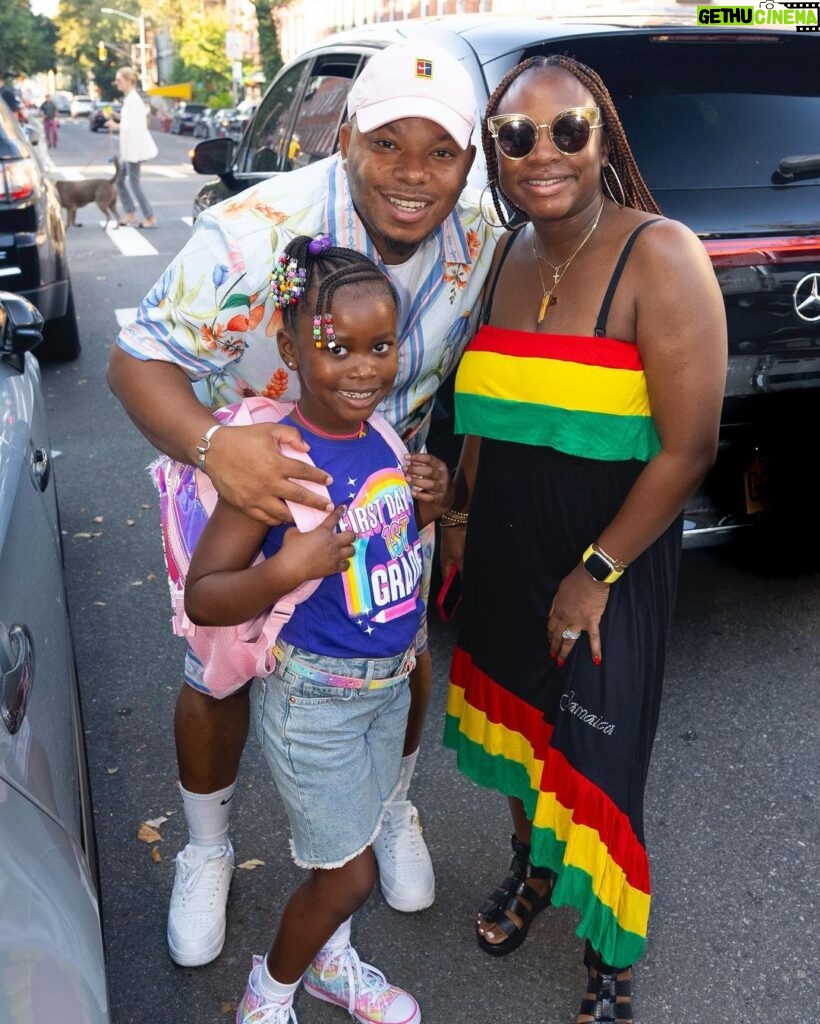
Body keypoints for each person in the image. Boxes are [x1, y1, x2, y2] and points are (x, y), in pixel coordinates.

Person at [106, 40, 499, 968]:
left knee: (399, 657)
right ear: (349, 133)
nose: (413, 174)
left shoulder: (481, 233)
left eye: (440, 151)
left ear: (470, 160)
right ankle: (207, 850)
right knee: (224, 668)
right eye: (388, 143)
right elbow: (137, 361)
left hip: (382, 478)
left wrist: (441, 484)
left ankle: (382, 810)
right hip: (257, 472)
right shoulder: (255, 231)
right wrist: (217, 448)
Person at [441, 55, 727, 1024]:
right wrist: (458, 524)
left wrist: (596, 573)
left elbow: (688, 447)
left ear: (603, 134)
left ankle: (610, 953)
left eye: (568, 128)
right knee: (521, 732)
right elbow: (479, 416)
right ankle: (529, 866)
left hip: (608, 560)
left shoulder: (661, 253)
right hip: (502, 551)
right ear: (495, 151)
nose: (543, 152)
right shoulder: (502, 253)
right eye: (515, 136)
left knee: (598, 752)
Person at [185, 235, 453, 1024]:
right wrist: (285, 568)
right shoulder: (276, 459)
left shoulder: (383, 438)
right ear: (292, 346)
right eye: (337, 348)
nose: (364, 368)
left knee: (355, 842)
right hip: (319, 707)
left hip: (384, 689)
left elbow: (386, 545)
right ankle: (266, 996)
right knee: (349, 876)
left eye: (381, 346)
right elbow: (206, 595)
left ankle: (331, 962)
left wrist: (429, 502)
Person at [106, 66, 158, 228]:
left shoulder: (134, 100)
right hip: (130, 150)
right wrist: (117, 116)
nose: (117, 83)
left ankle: (149, 217)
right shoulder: (130, 99)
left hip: (134, 150)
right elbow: (129, 120)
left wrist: (115, 125)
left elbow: (134, 126)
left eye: (119, 80)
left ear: (129, 81)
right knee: (120, 180)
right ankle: (130, 214)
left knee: (133, 182)